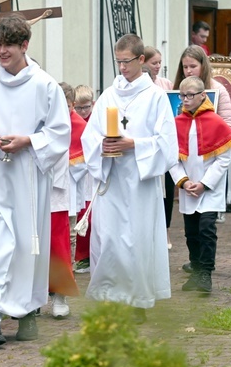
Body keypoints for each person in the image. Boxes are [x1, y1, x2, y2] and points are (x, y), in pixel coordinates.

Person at [0, 14, 70, 347]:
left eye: (8, 45)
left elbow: (60, 132)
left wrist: (29, 142)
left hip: (28, 178)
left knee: (23, 245)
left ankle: (27, 312)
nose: (1, 52)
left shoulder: (45, 85)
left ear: (25, 45)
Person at [81, 33, 178, 324]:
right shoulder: (109, 95)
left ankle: (137, 300)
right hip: (111, 178)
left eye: (126, 62)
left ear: (140, 60)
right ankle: (109, 296)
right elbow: (90, 135)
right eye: (118, 62)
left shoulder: (155, 97)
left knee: (136, 239)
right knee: (108, 238)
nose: (121, 68)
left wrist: (133, 144)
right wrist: (103, 145)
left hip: (139, 181)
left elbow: (167, 144)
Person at [170, 77, 231, 293]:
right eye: (182, 95)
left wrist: (205, 183)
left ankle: (206, 274)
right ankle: (196, 270)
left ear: (202, 96)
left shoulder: (216, 122)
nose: (186, 99)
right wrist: (184, 181)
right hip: (188, 188)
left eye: (191, 95)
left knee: (206, 229)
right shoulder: (176, 123)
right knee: (191, 232)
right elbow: (172, 158)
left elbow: (224, 159)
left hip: (210, 188)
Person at [173, 45, 231, 228]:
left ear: (203, 66)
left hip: (211, 159)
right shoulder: (179, 91)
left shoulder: (218, 89)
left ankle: (206, 259)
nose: (189, 71)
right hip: (188, 162)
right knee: (191, 228)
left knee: (207, 226)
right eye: (185, 67)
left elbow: (226, 126)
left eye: (193, 66)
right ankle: (195, 258)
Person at [47, 82, 83, 319]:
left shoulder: (74, 123)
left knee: (58, 241)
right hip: (32, 185)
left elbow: (85, 156)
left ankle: (60, 295)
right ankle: (32, 298)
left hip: (61, 187)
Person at [143, 49, 176, 249]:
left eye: (159, 63)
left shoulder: (165, 85)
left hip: (162, 142)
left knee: (167, 191)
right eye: (154, 63)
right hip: (147, 143)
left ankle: (165, 230)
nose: (157, 67)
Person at [72, 84, 95, 273]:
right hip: (76, 171)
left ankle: (92, 254)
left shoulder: (95, 121)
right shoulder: (71, 122)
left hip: (92, 173)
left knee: (92, 214)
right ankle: (81, 256)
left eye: (86, 107)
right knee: (80, 213)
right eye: (78, 108)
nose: (82, 111)